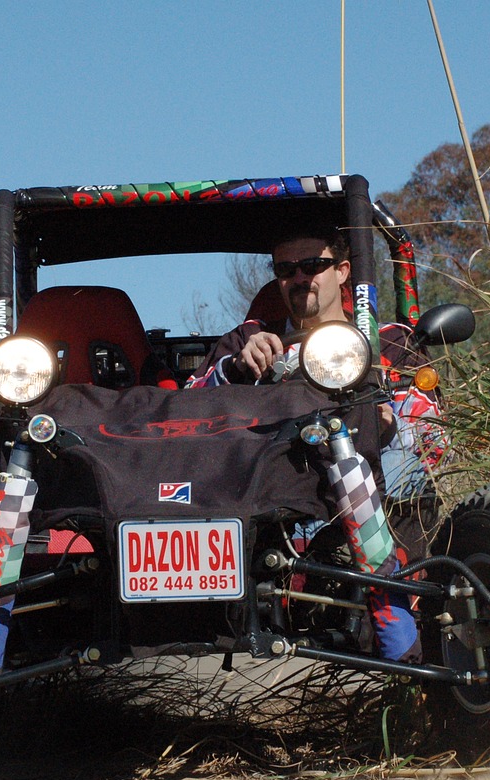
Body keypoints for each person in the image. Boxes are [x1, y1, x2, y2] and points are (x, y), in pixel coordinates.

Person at [186, 229, 444, 662]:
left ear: (343, 271)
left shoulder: (387, 340)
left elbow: (434, 434)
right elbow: (186, 411)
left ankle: (396, 612)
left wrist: (391, 425)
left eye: (313, 266)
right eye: (286, 270)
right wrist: (236, 368)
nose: (299, 278)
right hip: (270, 493)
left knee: (409, 467)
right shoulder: (249, 340)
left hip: (370, 487)